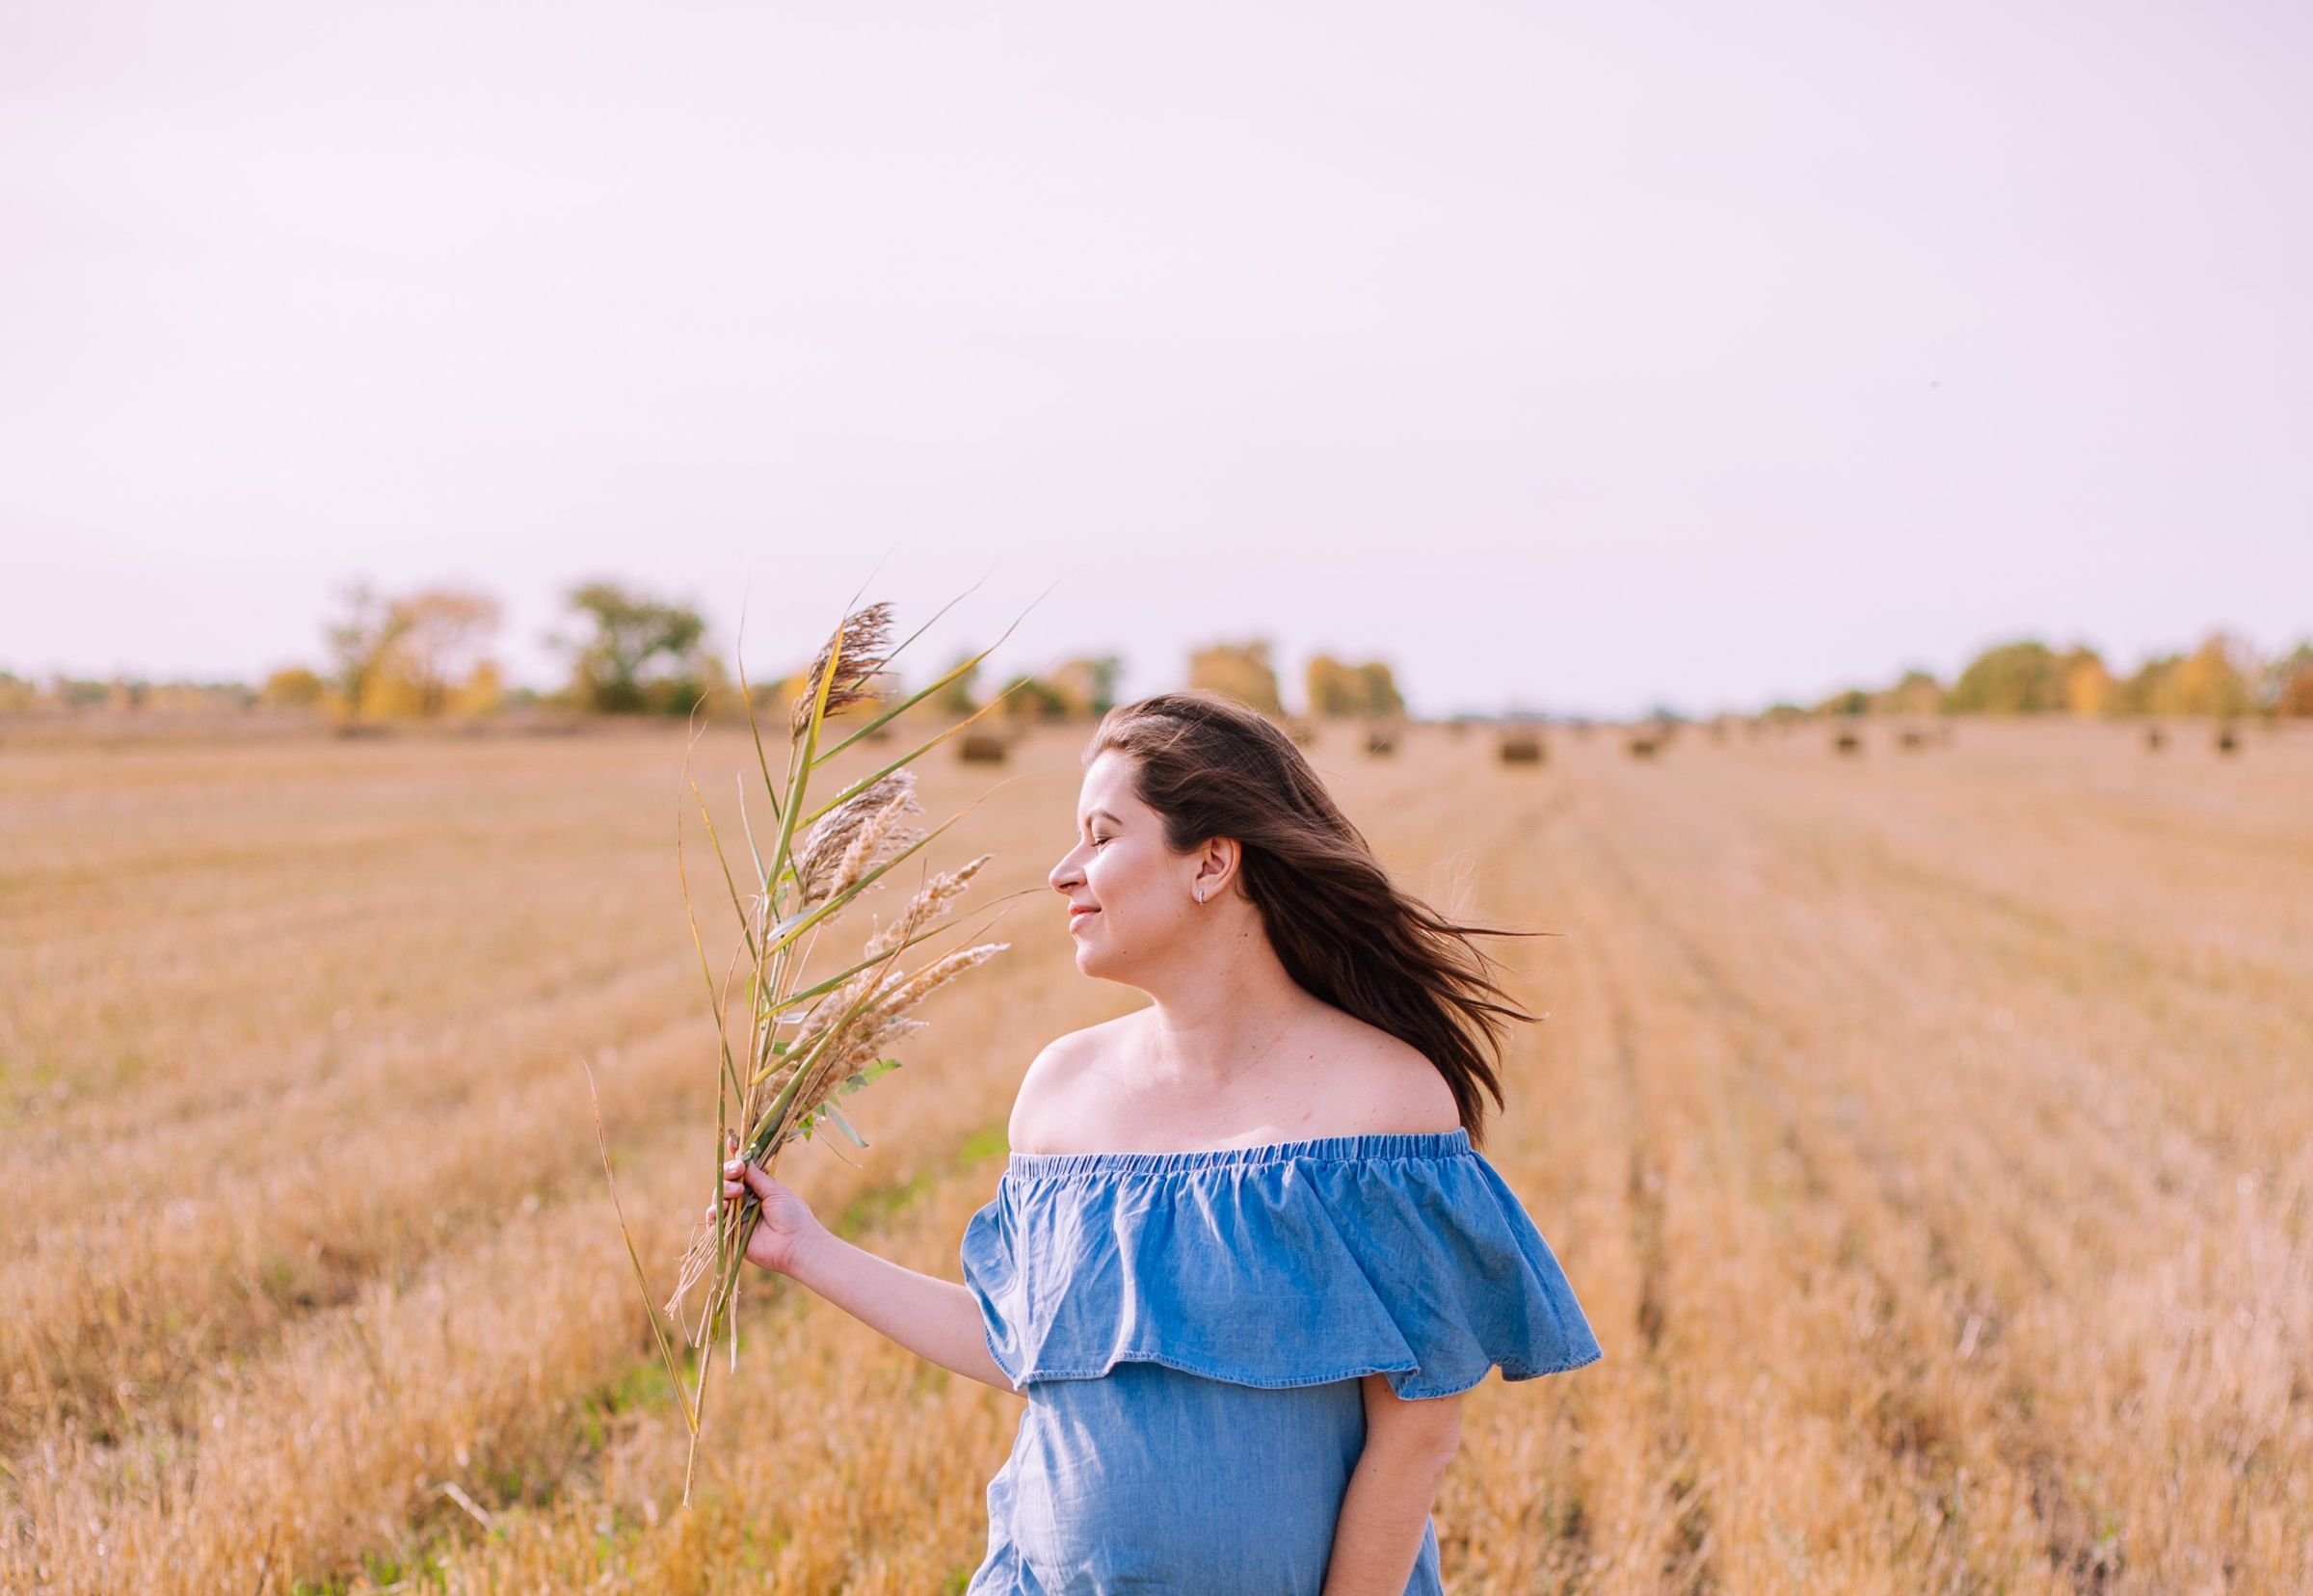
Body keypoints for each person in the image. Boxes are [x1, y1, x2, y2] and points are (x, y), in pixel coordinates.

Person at [722, 691, 1603, 1593]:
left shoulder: (1379, 1104)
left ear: (1211, 862)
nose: (1065, 872)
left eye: (1102, 837)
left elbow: (1417, 1434)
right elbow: (1025, 1347)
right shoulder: (1060, 1094)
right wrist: (809, 1252)